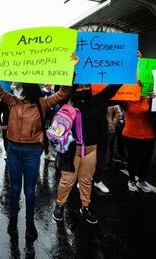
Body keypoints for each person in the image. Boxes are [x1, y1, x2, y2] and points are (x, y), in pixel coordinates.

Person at [0, 53, 78, 240]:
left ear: (29, 88)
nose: (17, 88)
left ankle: (29, 222)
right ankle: (13, 220)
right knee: (15, 188)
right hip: (13, 150)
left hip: (32, 151)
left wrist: (70, 69)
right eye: (17, 86)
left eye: (21, 85)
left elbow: (63, 93)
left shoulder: (43, 103)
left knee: (30, 189)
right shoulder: (11, 100)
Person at [53, 83, 121, 225]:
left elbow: (111, 89)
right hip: (71, 151)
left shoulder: (97, 102)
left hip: (91, 150)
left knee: (86, 181)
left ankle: (85, 207)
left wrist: (125, 72)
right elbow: (61, 91)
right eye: (79, 87)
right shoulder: (68, 102)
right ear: (73, 89)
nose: (84, 89)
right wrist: (71, 74)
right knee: (67, 181)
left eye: (86, 86)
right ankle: (60, 205)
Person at [122, 85, 156, 193]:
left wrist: (153, 102)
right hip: (130, 135)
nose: (138, 89)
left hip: (148, 136)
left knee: (145, 160)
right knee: (132, 159)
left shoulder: (149, 99)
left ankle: (141, 181)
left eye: (140, 87)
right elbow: (115, 99)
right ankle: (131, 180)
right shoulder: (126, 100)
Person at [93, 105, 122, 194]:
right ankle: (85, 179)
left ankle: (97, 180)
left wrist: (112, 124)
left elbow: (118, 113)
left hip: (106, 131)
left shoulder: (111, 99)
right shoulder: (90, 97)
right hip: (92, 130)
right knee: (89, 154)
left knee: (102, 154)